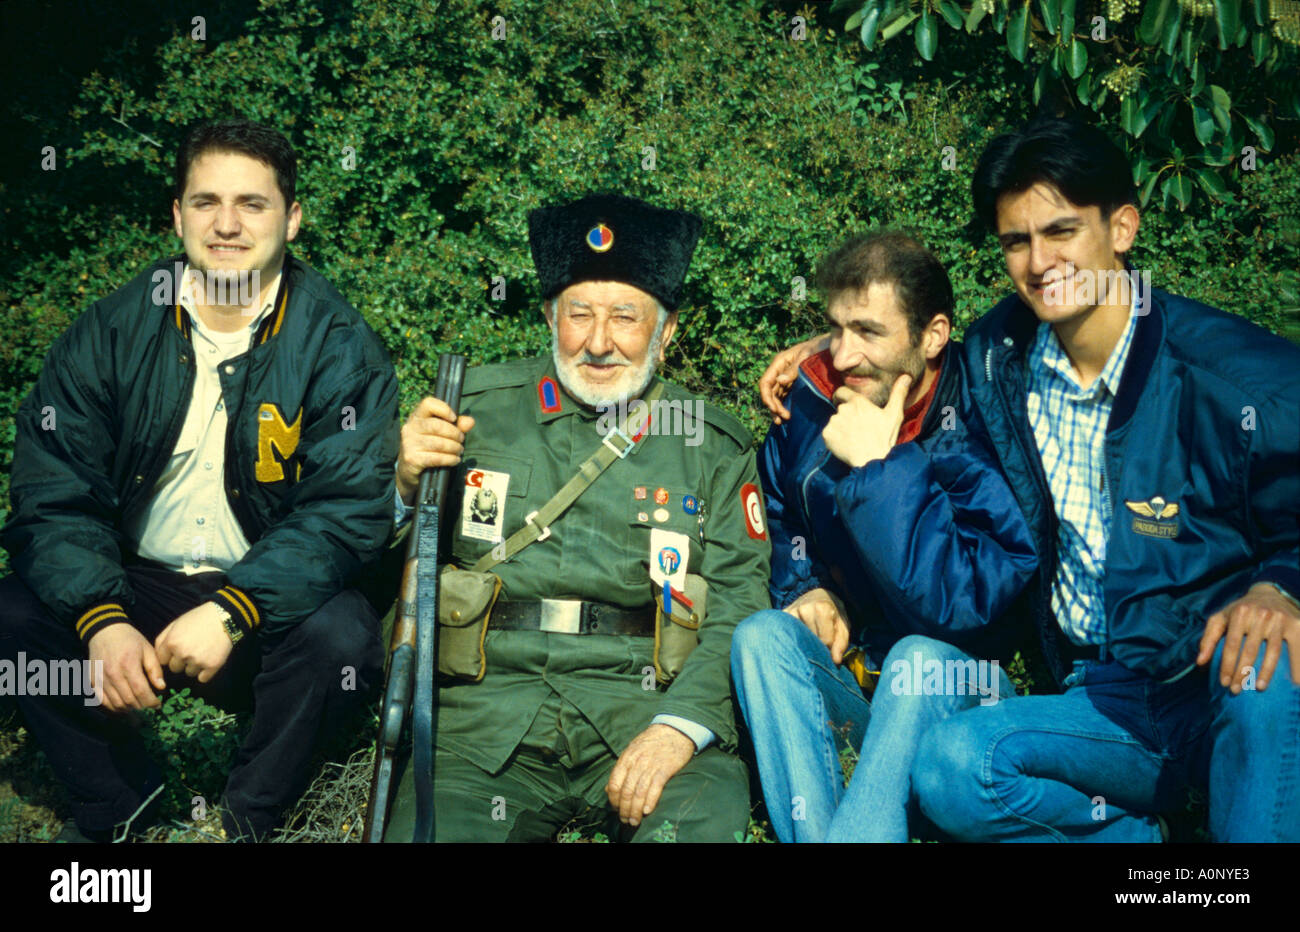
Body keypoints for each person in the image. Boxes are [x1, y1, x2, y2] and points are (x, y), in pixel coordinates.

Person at [762, 116, 1300, 841]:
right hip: (1101, 696)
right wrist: (828, 355)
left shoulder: (1237, 378)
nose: (1041, 261)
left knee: (1269, 669)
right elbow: (915, 348)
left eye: (1062, 231)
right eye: (1017, 241)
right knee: (954, 769)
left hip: (1219, 684)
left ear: (1123, 228)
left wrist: (1282, 585)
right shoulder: (998, 359)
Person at [0, 119, 399, 841]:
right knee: (12, 616)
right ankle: (116, 798)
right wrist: (100, 617)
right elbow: (52, 489)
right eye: (205, 201)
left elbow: (344, 512)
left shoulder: (340, 343)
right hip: (133, 583)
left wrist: (236, 610)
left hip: (264, 593)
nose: (226, 225)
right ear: (176, 214)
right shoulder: (113, 329)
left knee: (341, 639)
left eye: (253, 204)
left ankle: (251, 816)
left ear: (293, 218)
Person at [380, 193, 771, 842]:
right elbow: (370, 551)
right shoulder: (472, 409)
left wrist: (679, 730)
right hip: (484, 720)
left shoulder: (713, 445)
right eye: (578, 313)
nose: (598, 341)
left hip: (644, 710)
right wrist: (401, 483)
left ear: (666, 331)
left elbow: (740, 603)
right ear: (547, 315)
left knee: (699, 824)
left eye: (625, 316)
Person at [730, 231, 1037, 842]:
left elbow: (966, 605)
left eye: (868, 332)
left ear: (932, 336)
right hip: (861, 683)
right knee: (761, 636)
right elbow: (779, 502)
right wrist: (808, 585)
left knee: (918, 660)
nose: (844, 355)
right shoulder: (818, 396)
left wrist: (882, 467)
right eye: (836, 329)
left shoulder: (981, 422)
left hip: (961, 691)